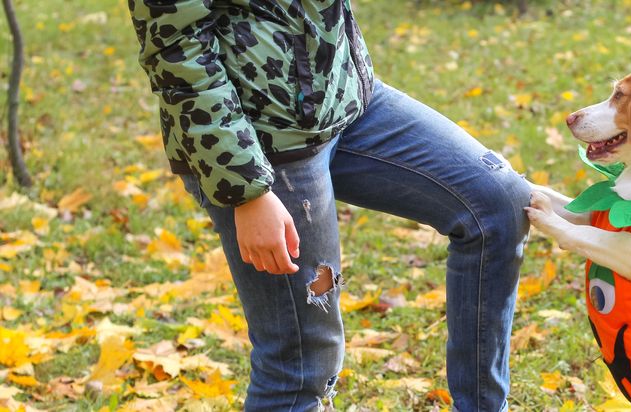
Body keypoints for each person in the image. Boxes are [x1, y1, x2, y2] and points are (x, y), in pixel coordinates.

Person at [127, 1, 530, 411]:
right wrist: (247, 190)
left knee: (497, 204)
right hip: (261, 144)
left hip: (347, 99)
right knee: (301, 366)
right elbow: (176, 49)